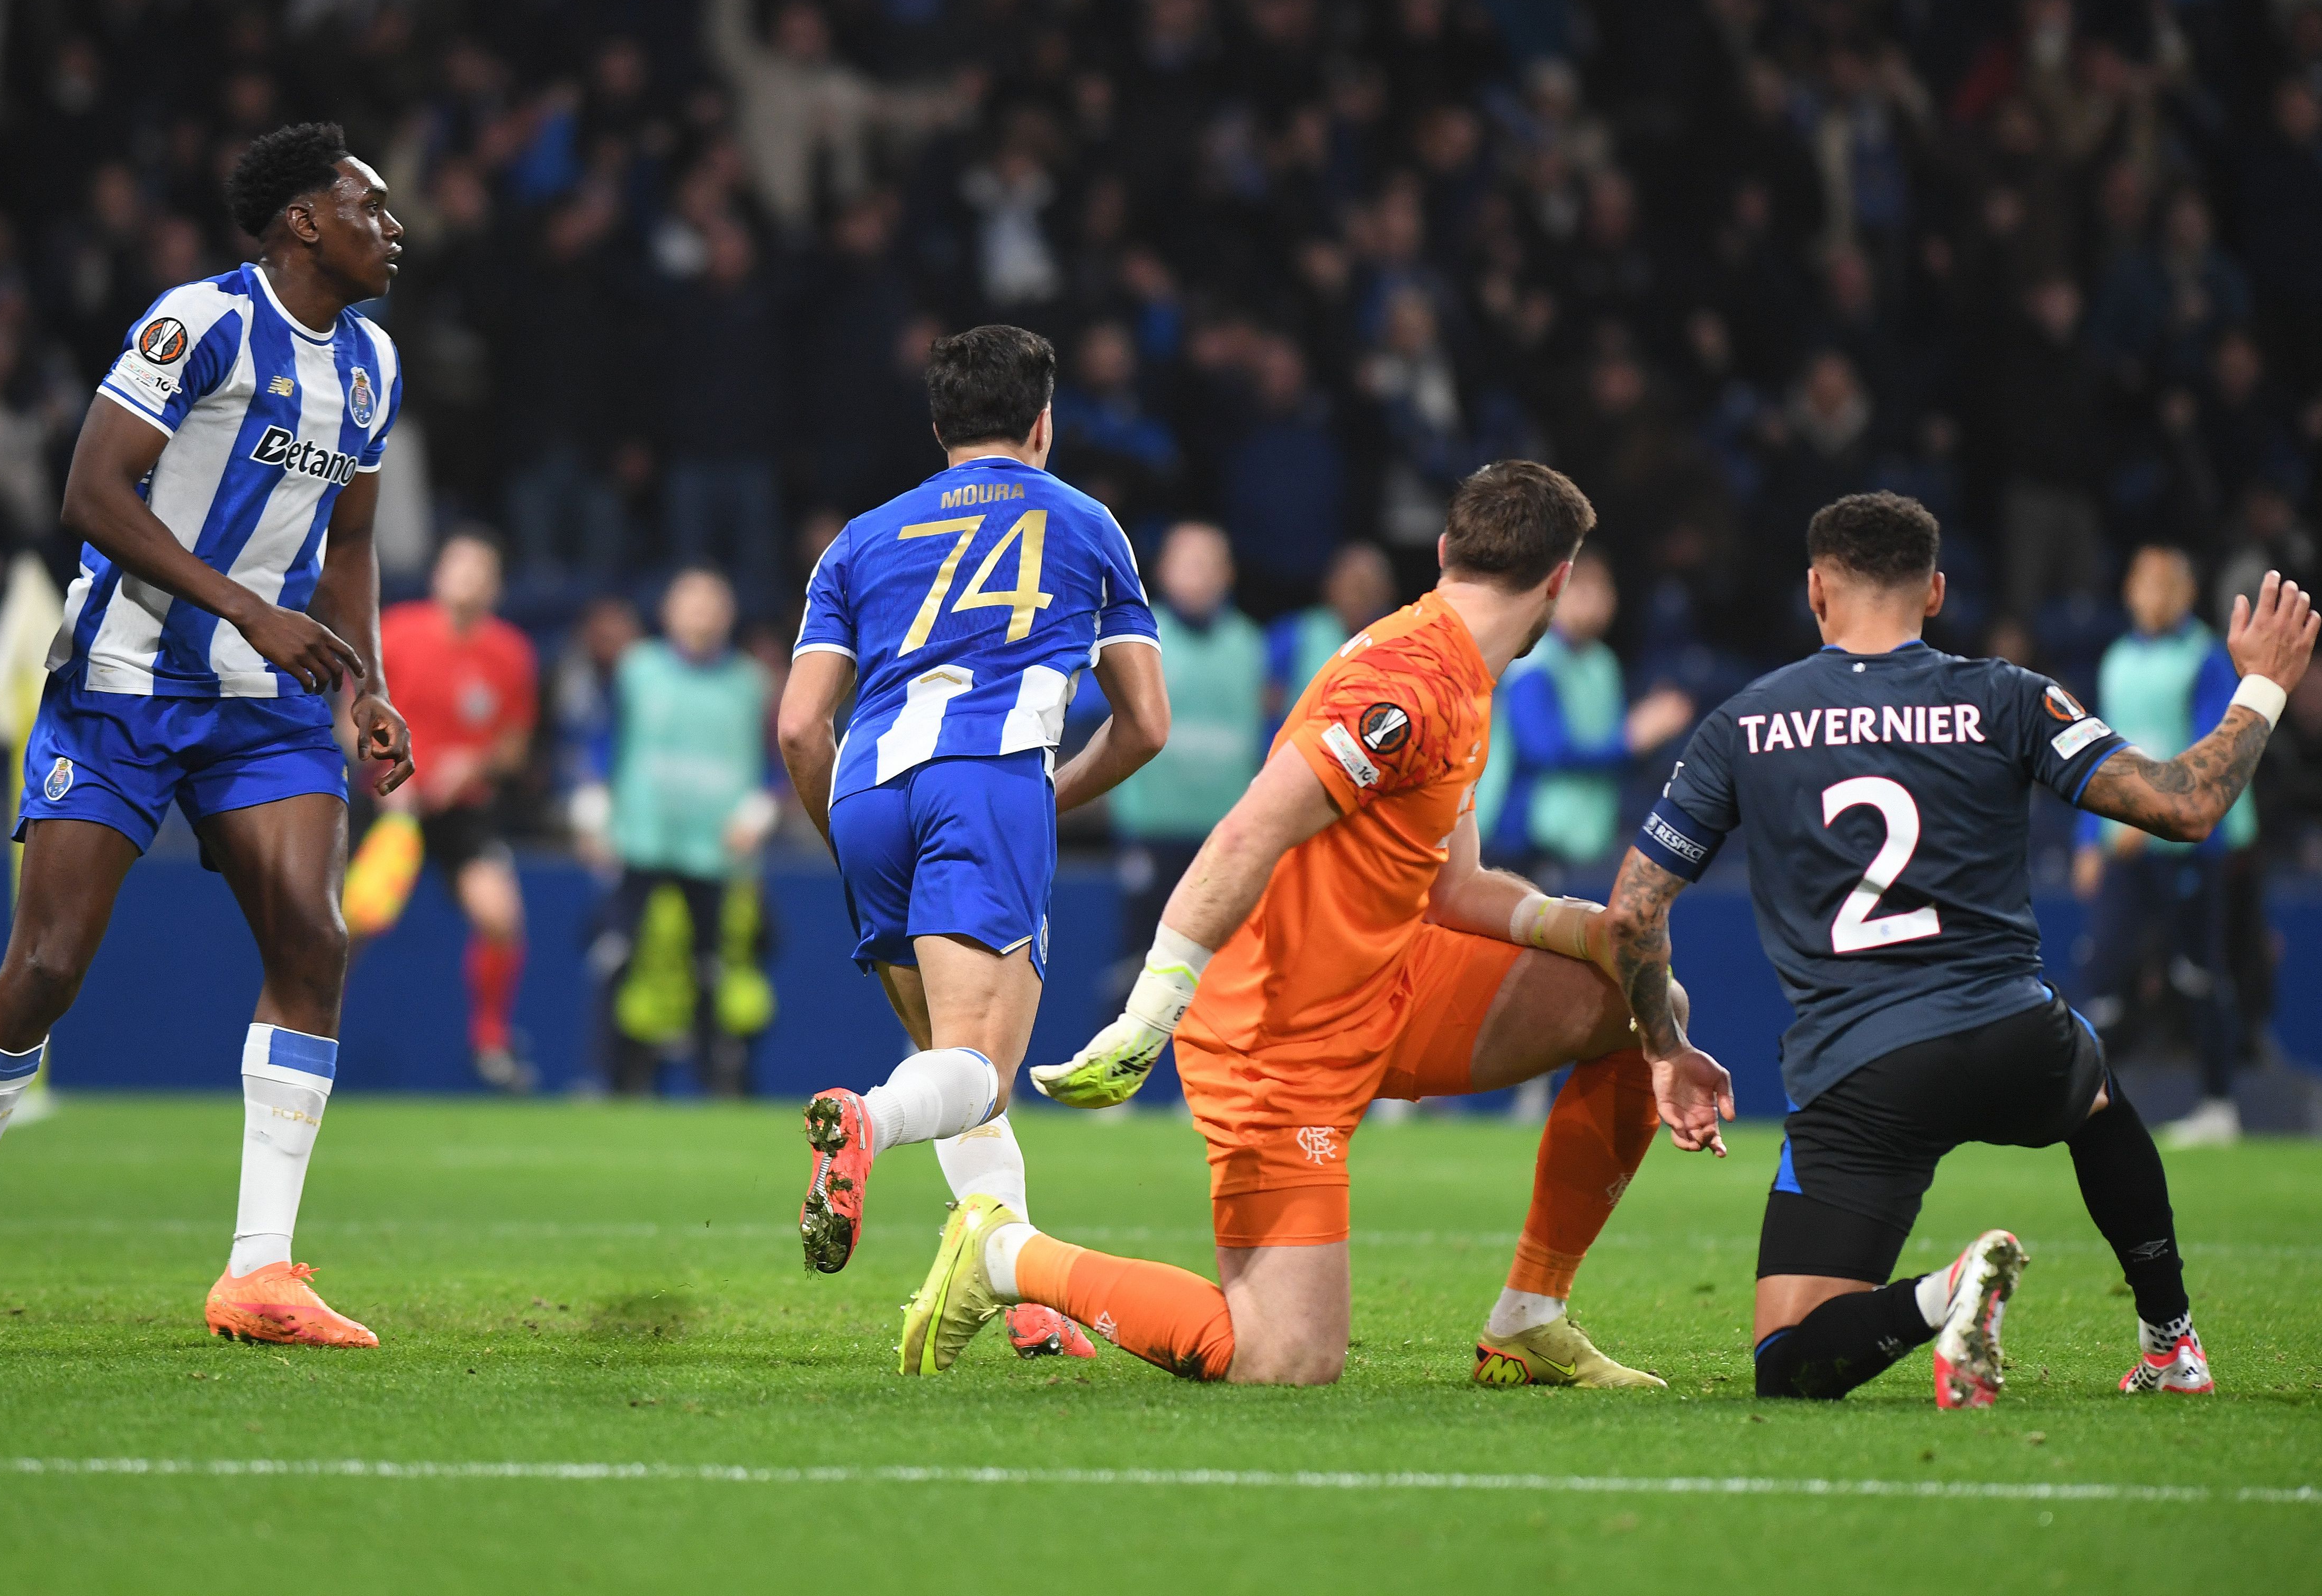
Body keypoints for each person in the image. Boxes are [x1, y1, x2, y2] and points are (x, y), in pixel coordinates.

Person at [907, 462, 1734, 1387]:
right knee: (1285, 1360)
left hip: (1387, 982)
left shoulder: (1461, 671)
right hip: (1277, 1033)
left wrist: (1597, 931)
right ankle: (1006, 1255)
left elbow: (1456, 891)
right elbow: (1247, 830)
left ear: (1442, 551)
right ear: (1561, 581)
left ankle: (1529, 1317)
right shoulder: (1407, 681)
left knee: (1641, 998)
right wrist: (1152, 1012)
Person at [0, 122, 415, 1348]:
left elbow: (352, 541)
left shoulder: (374, 365)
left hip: (265, 704)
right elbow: (91, 491)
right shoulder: (200, 324)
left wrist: (363, 686)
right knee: (49, 967)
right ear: (302, 225)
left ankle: (258, 1271)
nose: (393, 229)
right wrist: (244, 609)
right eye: (368, 206)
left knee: (312, 940)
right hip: (123, 681)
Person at [1601, 492, 2305, 1405]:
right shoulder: (2007, 696)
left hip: (1862, 1075)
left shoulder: (1744, 722)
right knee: (2095, 1093)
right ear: (1935, 591)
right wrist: (2266, 684)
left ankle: (1948, 1290)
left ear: (1816, 590)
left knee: (1790, 1359)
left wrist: (1665, 1046)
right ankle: (2172, 1341)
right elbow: (2187, 804)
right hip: (2015, 1034)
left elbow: (1629, 912)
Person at [778, 324, 1170, 1362]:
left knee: (948, 1058)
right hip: (987, 781)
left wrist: (839, 827)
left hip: (866, 789)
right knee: (979, 1072)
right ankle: (863, 1122)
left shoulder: (858, 537)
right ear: (1044, 422)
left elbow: (795, 726)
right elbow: (1146, 723)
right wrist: (1050, 798)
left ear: (939, 424)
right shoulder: (1088, 525)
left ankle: (1024, 1286)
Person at [342, 527, 539, 1092]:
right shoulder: (395, 632)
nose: (470, 578)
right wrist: (389, 773)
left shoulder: (511, 652)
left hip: (463, 809)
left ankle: (491, 1040)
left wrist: (471, 765)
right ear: (438, 574)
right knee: (352, 924)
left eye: (482, 569)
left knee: (501, 917)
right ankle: (314, 1032)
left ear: (496, 586)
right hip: (388, 802)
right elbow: (349, 717)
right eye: (460, 565)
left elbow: (515, 744)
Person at [2074, 545, 2250, 1147]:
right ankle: (2083, 1101)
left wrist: (2144, 818)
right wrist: (2087, 837)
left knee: (2198, 974)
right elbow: (2098, 749)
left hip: (2185, 845)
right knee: (2103, 972)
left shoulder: (2204, 657)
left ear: (2183, 592)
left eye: (2164, 585)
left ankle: (2218, 1104)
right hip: (2123, 846)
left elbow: (2210, 747)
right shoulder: (2118, 657)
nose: (2152, 596)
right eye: (2143, 583)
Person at [595, 566, 774, 1096]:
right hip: (641, 841)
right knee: (621, 960)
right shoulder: (636, 669)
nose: (701, 613)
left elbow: (775, 761)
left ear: (729, 615)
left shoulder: (751, 683)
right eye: (690, 601)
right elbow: (603, 742)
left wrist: (757, 814)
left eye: (712, 602)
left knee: (715, 971)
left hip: (717, 852)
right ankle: (613, 1082)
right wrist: (594, 811)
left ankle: (723, 1087)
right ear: (669, 610)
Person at [1108, 523, 1265, 983]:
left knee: (1221, 975)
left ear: (1228, 574)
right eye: (1186, 562)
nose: (1197, 574)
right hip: (1150, 834)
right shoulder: (1135, 639)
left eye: (1208, 563)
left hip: (1225, 839)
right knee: (1135, 968)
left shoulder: (1252, 646)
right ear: (1163, 571)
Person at [1483, 549, 1694, 872]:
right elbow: (1541, 749)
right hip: (1520, 836)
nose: (1594, 600)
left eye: (1603, 589)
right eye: (1580, 589)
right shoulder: (1533, 660)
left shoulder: (1603, 663)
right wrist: (1631, 740)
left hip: (1585, 835)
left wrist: (1646, 735)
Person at [1264, 541, 1396, 725]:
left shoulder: (1397, 642)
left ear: (1387, 592)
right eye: (1352, 584)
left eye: (1368, 586)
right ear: (1330, 584)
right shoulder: (1296, 632)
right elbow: (1266, 702)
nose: (1359, 595)